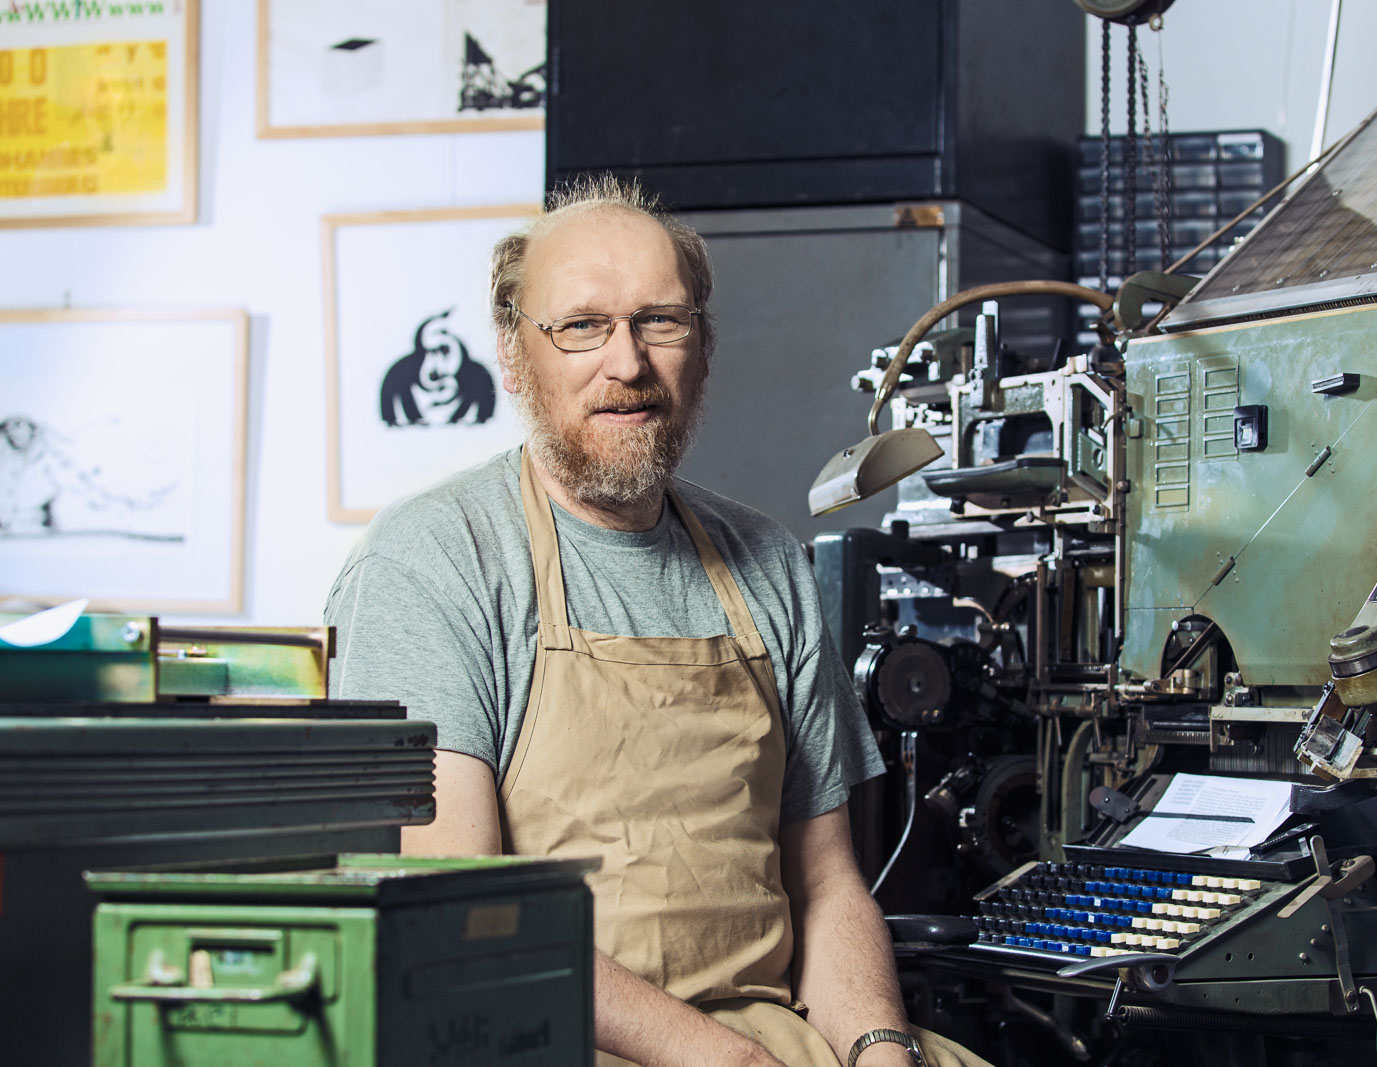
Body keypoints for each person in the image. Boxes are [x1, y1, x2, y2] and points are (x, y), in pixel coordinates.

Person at [325, 177, 991, 1067]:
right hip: (536, 1035)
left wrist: (879, 1048)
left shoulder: (767, 562)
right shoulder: (432, 561)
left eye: (659, 321)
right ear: (515, 356)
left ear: (703, 348)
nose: (628, 363)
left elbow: (827, 885)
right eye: (582, 326)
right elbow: (461, 910)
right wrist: (726, 1060)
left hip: (765, 1037)